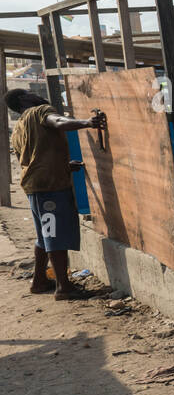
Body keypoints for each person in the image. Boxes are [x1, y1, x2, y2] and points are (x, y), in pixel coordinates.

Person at [5, 89, 105, 300]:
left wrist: (64, 166)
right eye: (29, 92)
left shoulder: (18, 128)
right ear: (23, 100)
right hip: (50, 188)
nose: (35, 94)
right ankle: (64, 287)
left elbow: (33, 157)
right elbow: (58, 122)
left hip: (36, 187)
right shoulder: (40, 111)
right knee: (53, 236)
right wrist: (87, 123)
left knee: (44, 236)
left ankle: (39, 281)